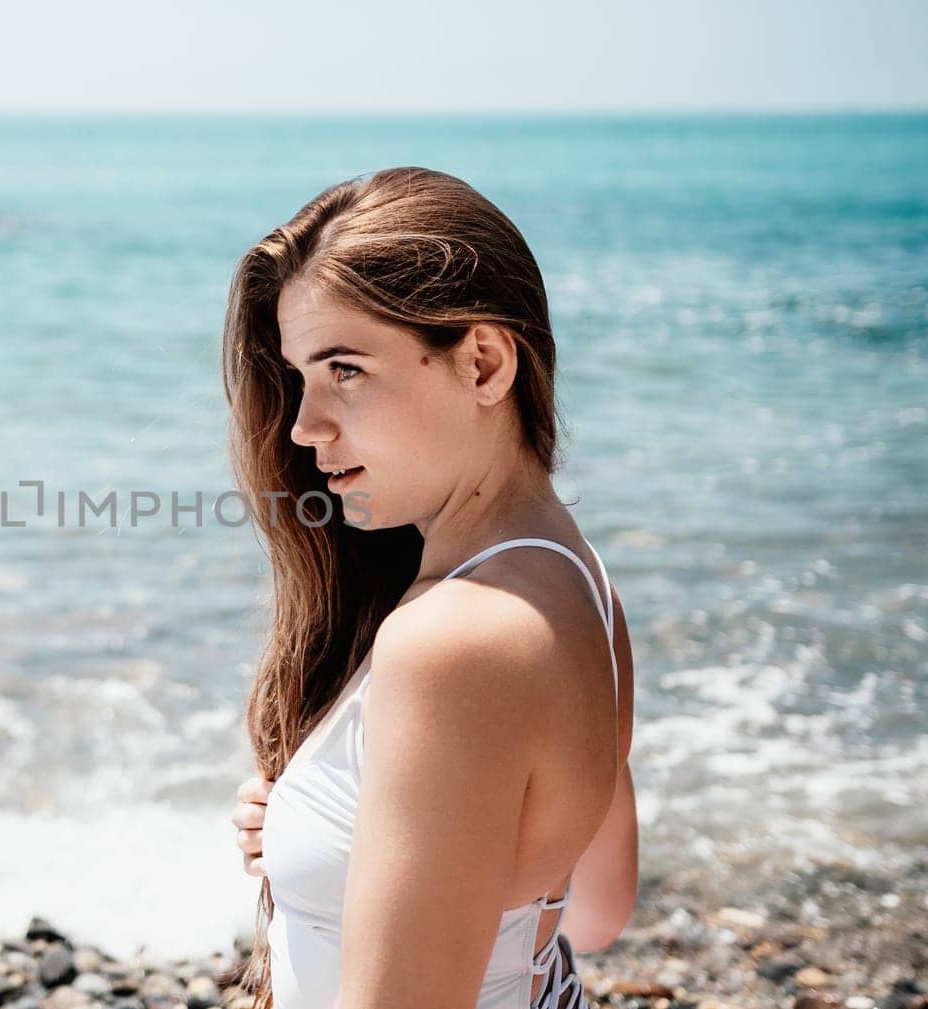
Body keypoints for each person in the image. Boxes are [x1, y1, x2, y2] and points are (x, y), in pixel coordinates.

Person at [219, 167, 638, 1009]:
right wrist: (322, 823)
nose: (304, 426)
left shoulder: (454, 643)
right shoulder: (573, 583)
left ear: (483, 363)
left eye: (346, 370)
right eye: (302, 377)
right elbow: (591, 909)